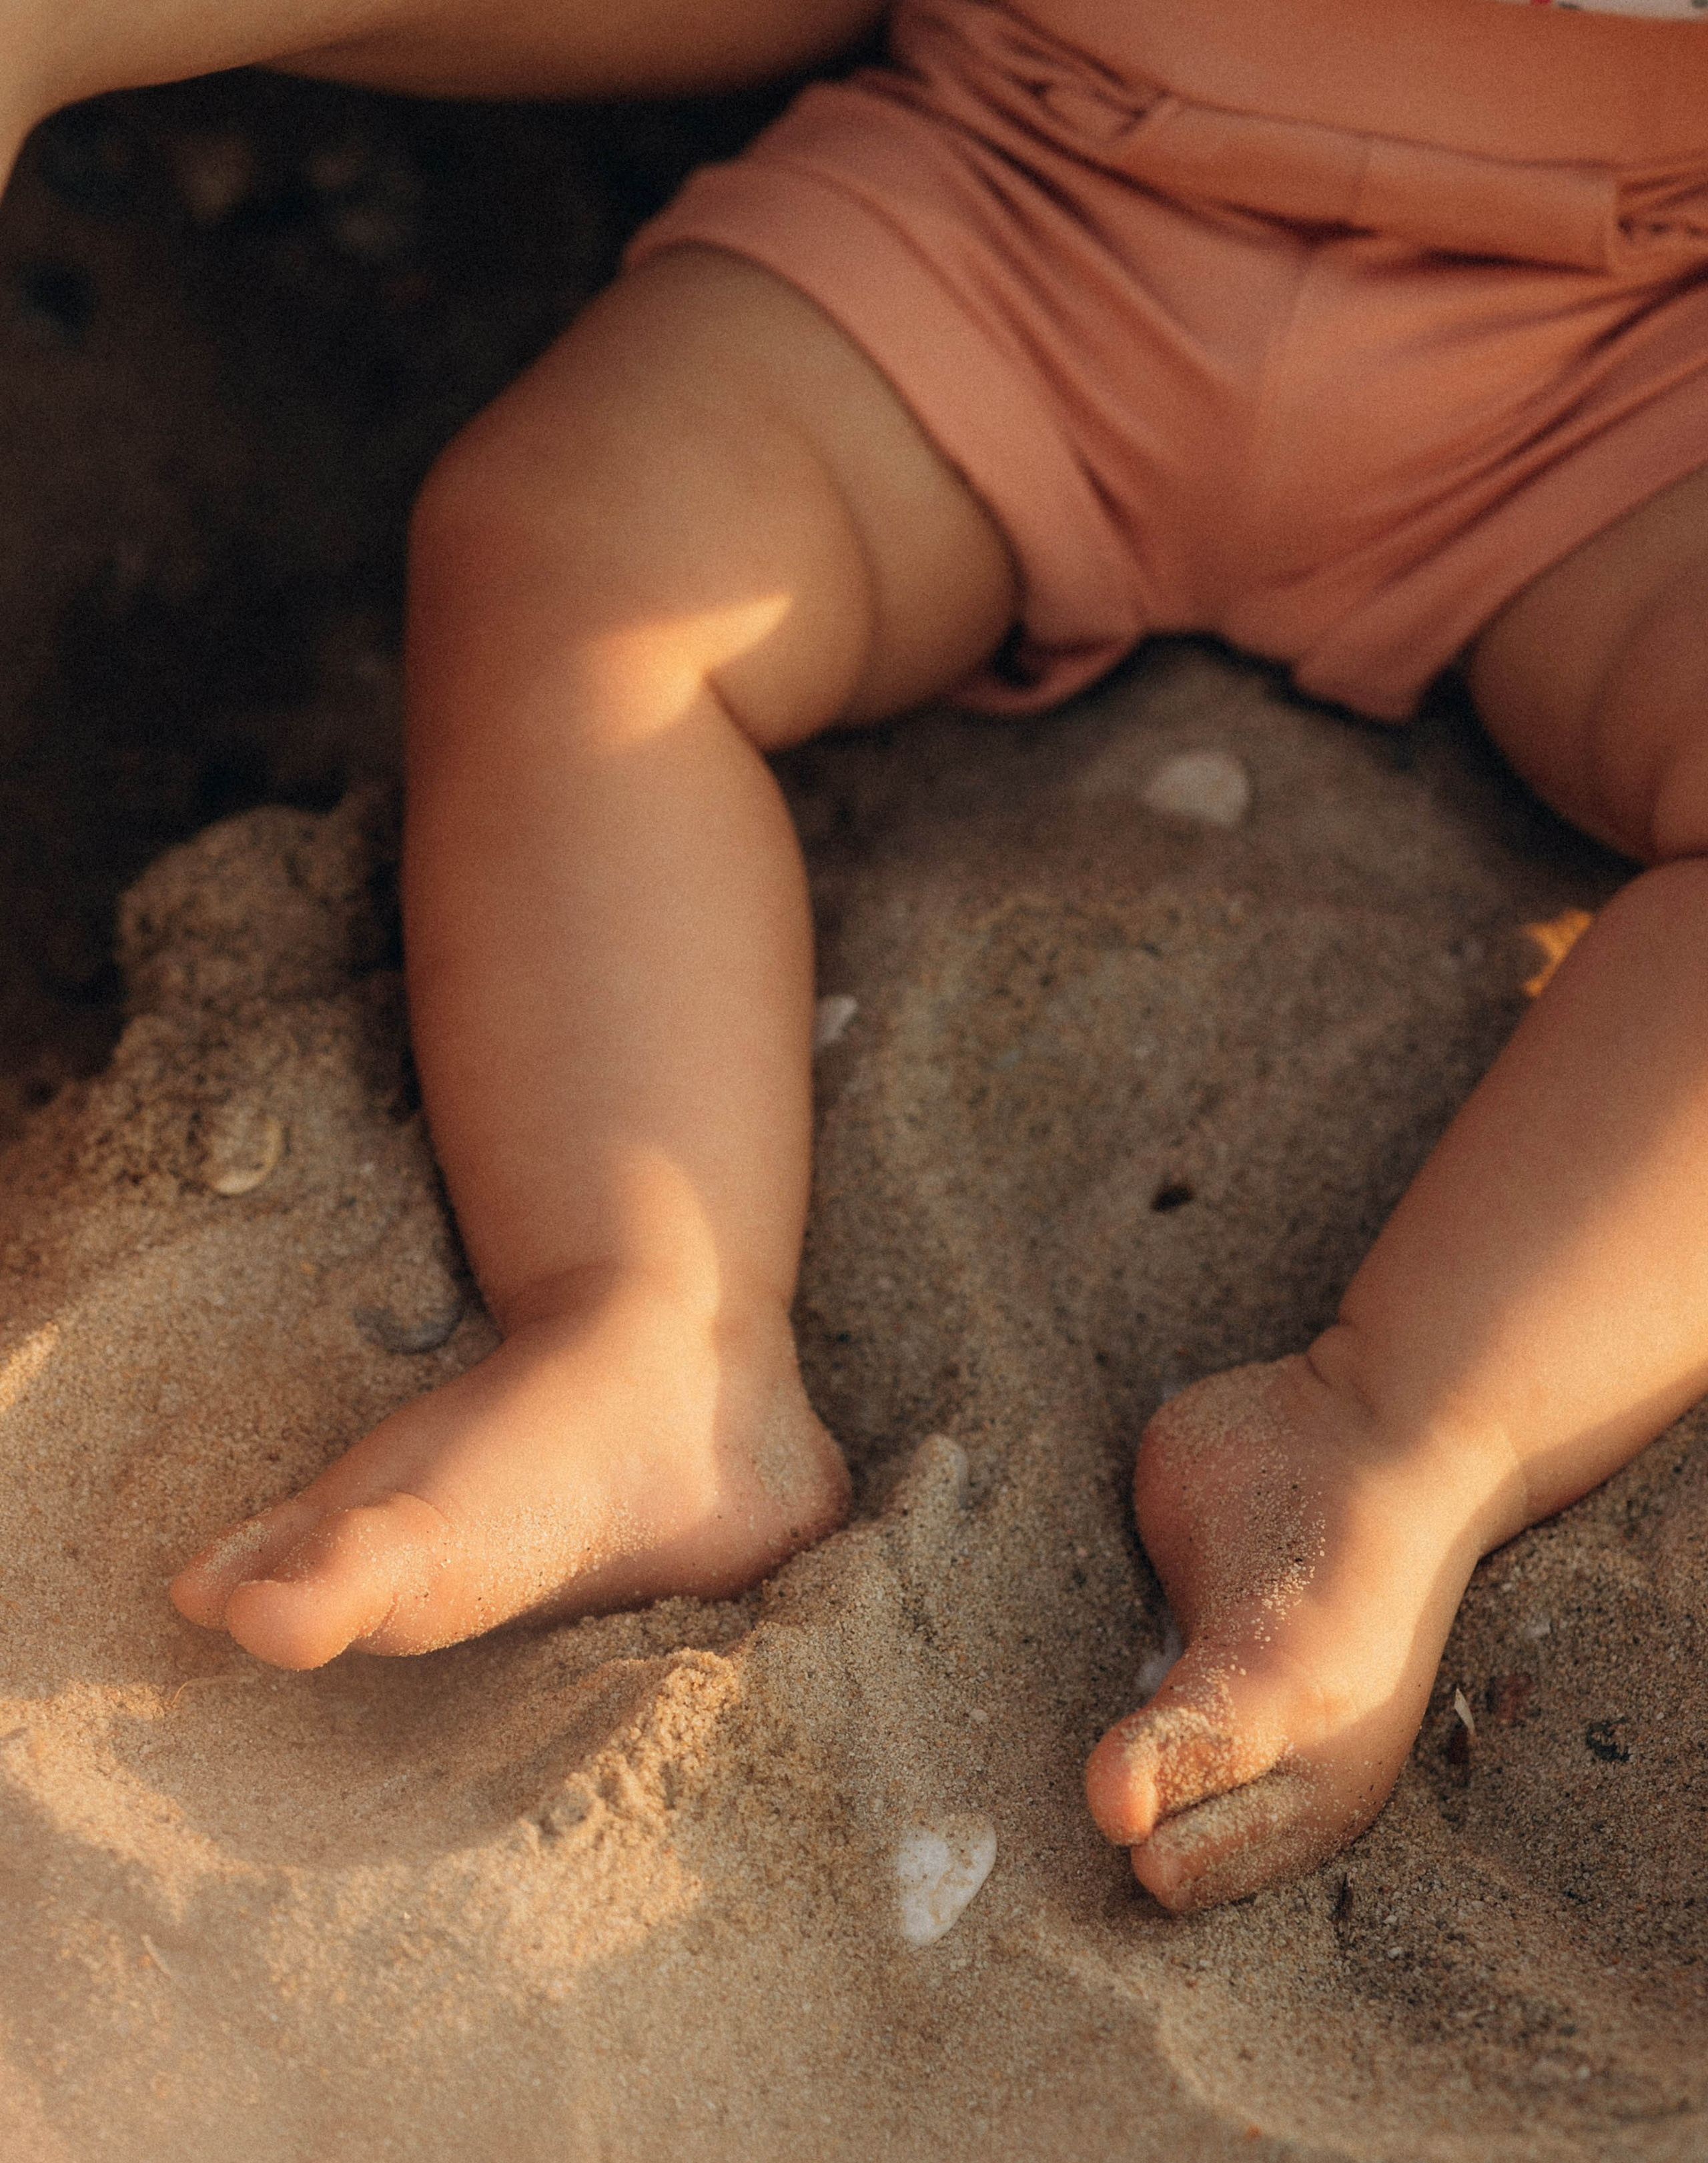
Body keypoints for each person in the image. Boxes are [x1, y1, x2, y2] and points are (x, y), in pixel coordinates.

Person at [12, 0, 1708, 1913]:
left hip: (1634, 324)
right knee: (572, 546)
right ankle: (651, 1335)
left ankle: (1403, 1442)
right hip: (1037, 182)